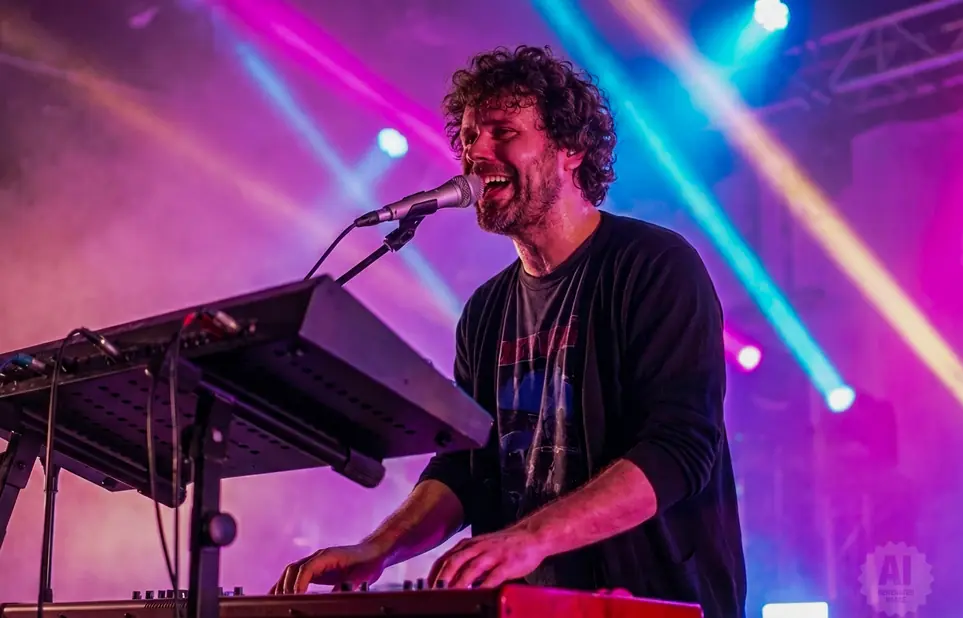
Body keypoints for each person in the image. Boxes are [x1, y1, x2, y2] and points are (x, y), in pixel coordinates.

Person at [271, 45, 747, 618]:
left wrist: (532, 539)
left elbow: (679, 450)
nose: (477, 154)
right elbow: (466, 469)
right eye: (470, 138)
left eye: (502, 132)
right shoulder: (485, 311)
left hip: (648, 601)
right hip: (526, 606)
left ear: (570, 149)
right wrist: (377, 550)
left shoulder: (655, 267)